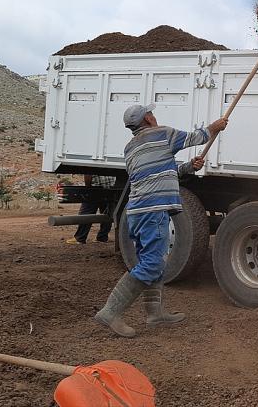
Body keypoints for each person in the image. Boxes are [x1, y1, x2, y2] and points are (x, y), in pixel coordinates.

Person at [94, 103, 227, 337]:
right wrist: (215, 127)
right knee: (152, 263)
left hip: (136, 211)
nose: (154, 115)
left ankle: (155, 313)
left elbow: (158, 172)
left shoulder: (130, 148)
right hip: (152, 210)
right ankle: (111, 311)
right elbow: (196, 137)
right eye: (151, 112)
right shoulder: (162, 134)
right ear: (147, 118)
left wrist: (187, 167)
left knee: (153, 260)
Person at [66, 174, 116, 244]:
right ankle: (102, 237)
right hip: (110, 188)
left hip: (95, 188)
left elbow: (88, 173)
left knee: (85, 213)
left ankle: (80, 237)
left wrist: (88, 189)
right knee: (107, 214)